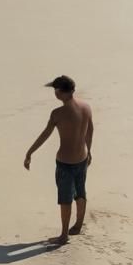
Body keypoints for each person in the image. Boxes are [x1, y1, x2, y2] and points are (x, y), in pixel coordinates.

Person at [24, 76, 93, 245]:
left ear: (60, 92)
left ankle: (64, 235)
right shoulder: (86, 107)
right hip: (82, 158)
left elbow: (45, 135)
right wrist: (89, 151)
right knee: (80, 191)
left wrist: (30, 152)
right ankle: (77, 225)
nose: (54, 93)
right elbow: (90, 130)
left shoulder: (58, 114)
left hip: (65, 163)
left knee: (65, 198)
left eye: (55, 90)